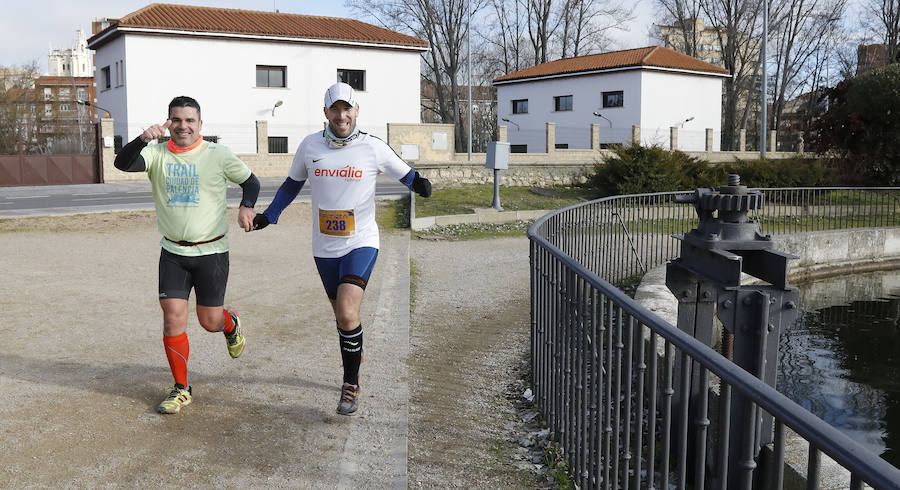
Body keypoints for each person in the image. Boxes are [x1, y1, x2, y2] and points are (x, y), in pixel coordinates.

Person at [252, 82, 432, 415]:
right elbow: (291, 186)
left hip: (361, 241)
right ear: (325, 113)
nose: (341, 115)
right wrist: (269, 216)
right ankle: (355, 349)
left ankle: (350, 384)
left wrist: (419, 184)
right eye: (334, 109)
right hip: (324, 247)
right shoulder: (310, 147)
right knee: (342, 316)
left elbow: (405, 173)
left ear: (356, 111)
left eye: (347, 108)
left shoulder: (372, 147)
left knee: (348, 309)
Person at [114, 95, 260, 414]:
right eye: (176, 120)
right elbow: (121, 164)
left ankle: (229, 323)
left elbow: (251, 182)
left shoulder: (217, 154)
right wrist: (142, 138)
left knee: (209, 321)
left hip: (212, 251)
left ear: (200, 124)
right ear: (168, 123)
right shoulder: (155, 154)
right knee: (172, 317)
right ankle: (181, 388)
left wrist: (246, 207)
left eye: (189, 120)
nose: (183, 126)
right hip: (173, 252)